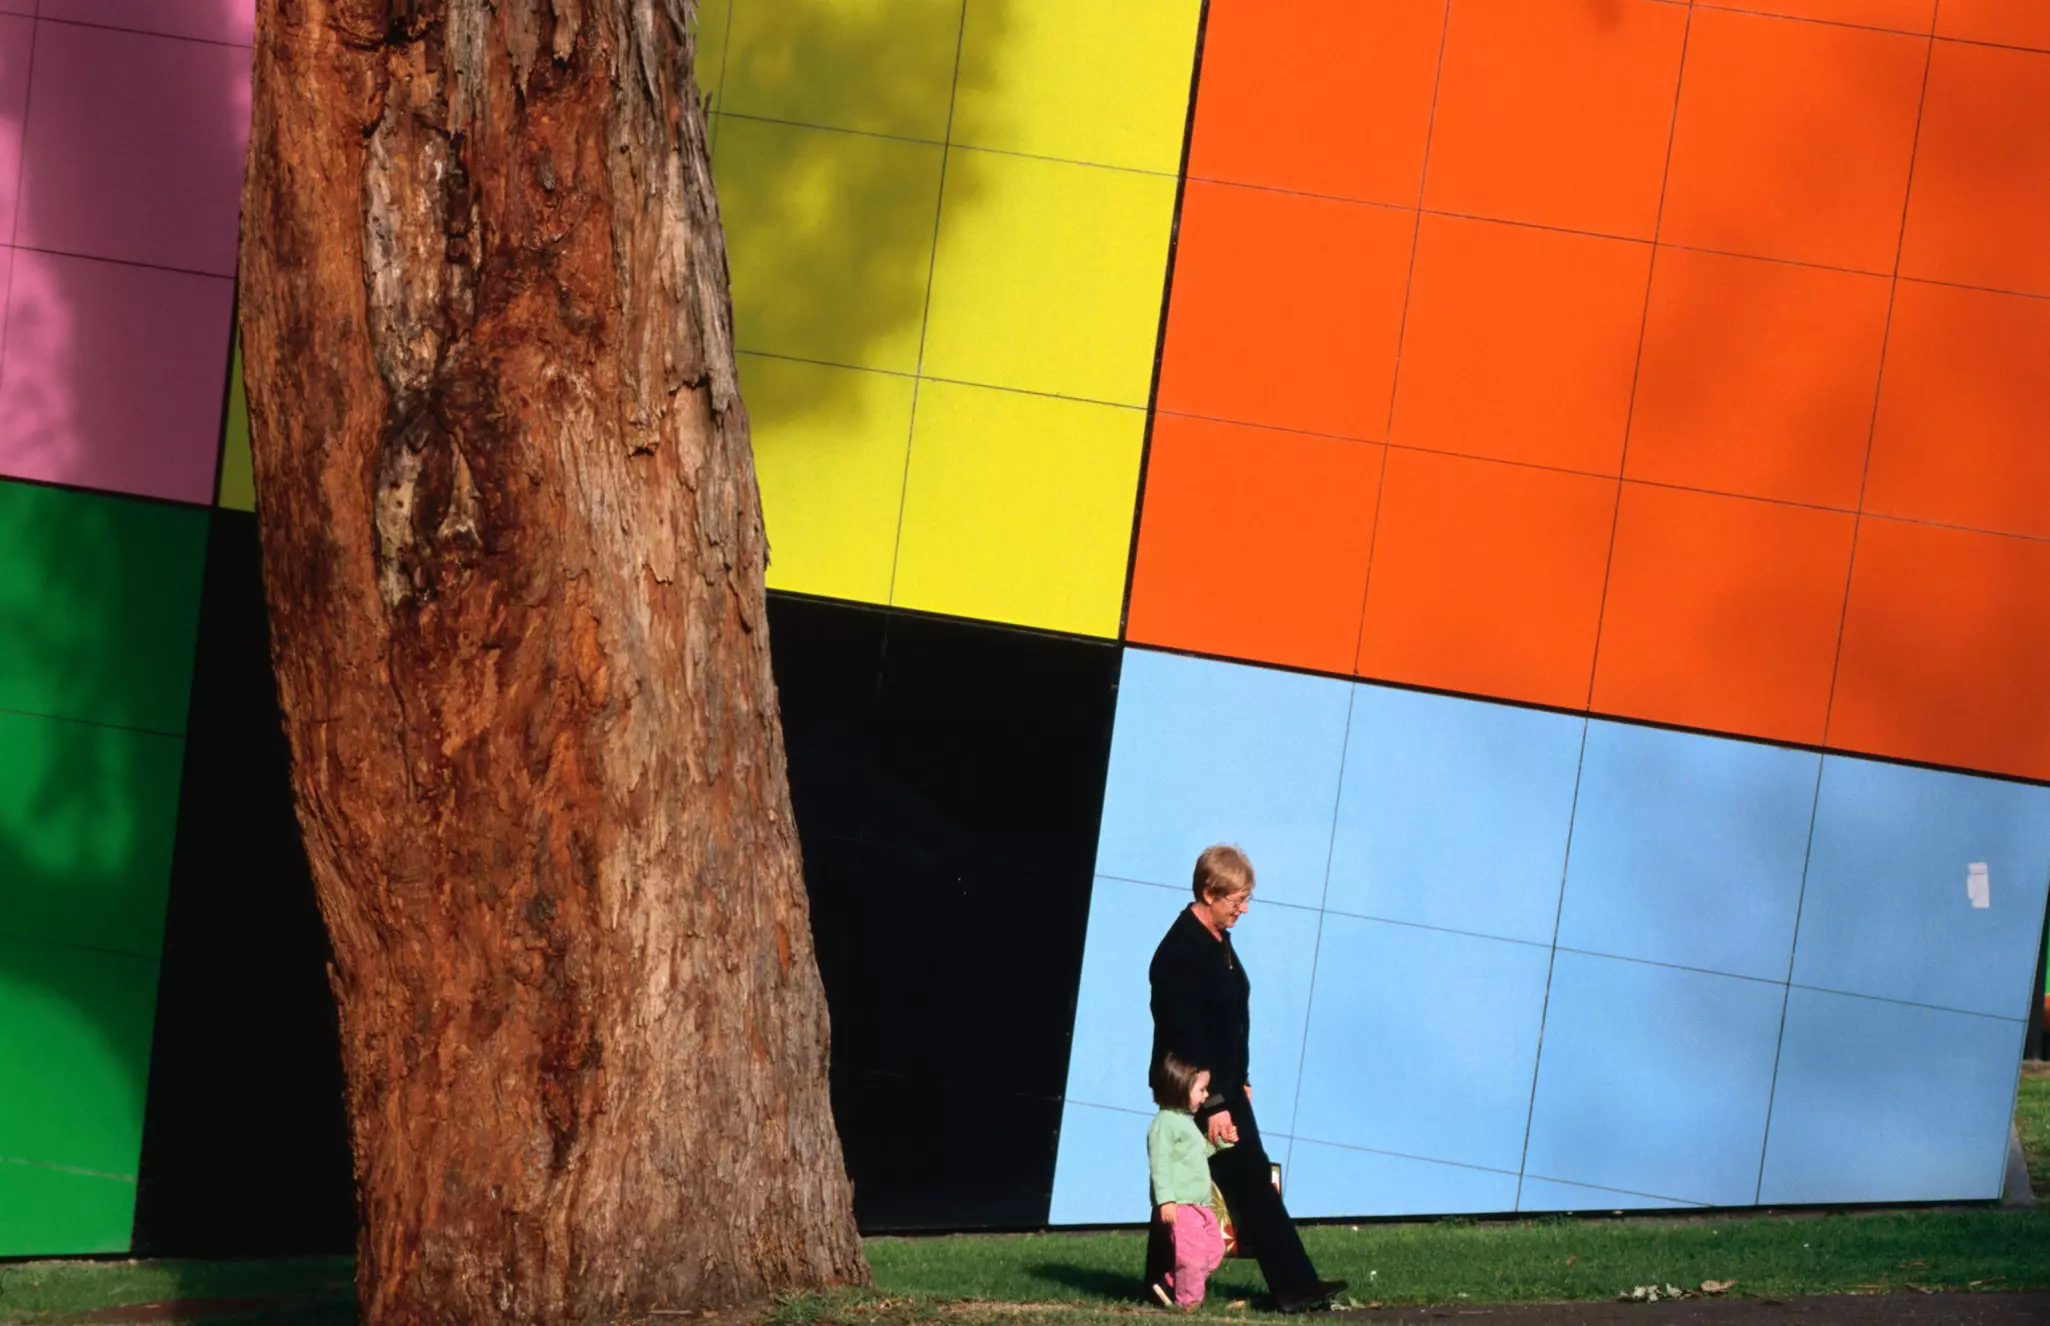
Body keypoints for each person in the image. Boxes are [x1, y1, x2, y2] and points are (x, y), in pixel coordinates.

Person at [1146, 845, 1346, 1313]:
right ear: (1209, 893)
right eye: (1237, 899)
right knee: (1226, 1181)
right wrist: (1214, 1103)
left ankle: (1165, 1285)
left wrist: (1243, 1078)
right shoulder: (1179, 951)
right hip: (1195, 1093)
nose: (1244, 909)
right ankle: (1293, 1285)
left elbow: (1231, 1018)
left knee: (1216, 1181)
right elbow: (1185, 1034)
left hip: (1226, 1085)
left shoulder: (1218, 939)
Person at [1147, 1053, 1228, 1310]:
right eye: (1202, 1089)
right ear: (1180, 1088)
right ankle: (1187, 1303)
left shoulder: (1187, 1122)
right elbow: (1159, 1166)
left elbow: (1201, 1151)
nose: (1206, 1096)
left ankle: (1170, 1283)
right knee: (1191, 1257)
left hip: (1200, 1204)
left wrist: (1222, 1142)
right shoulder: (1164, 1124)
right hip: (1181, 1204)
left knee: (1214, 1250)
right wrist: (1166, 1200)